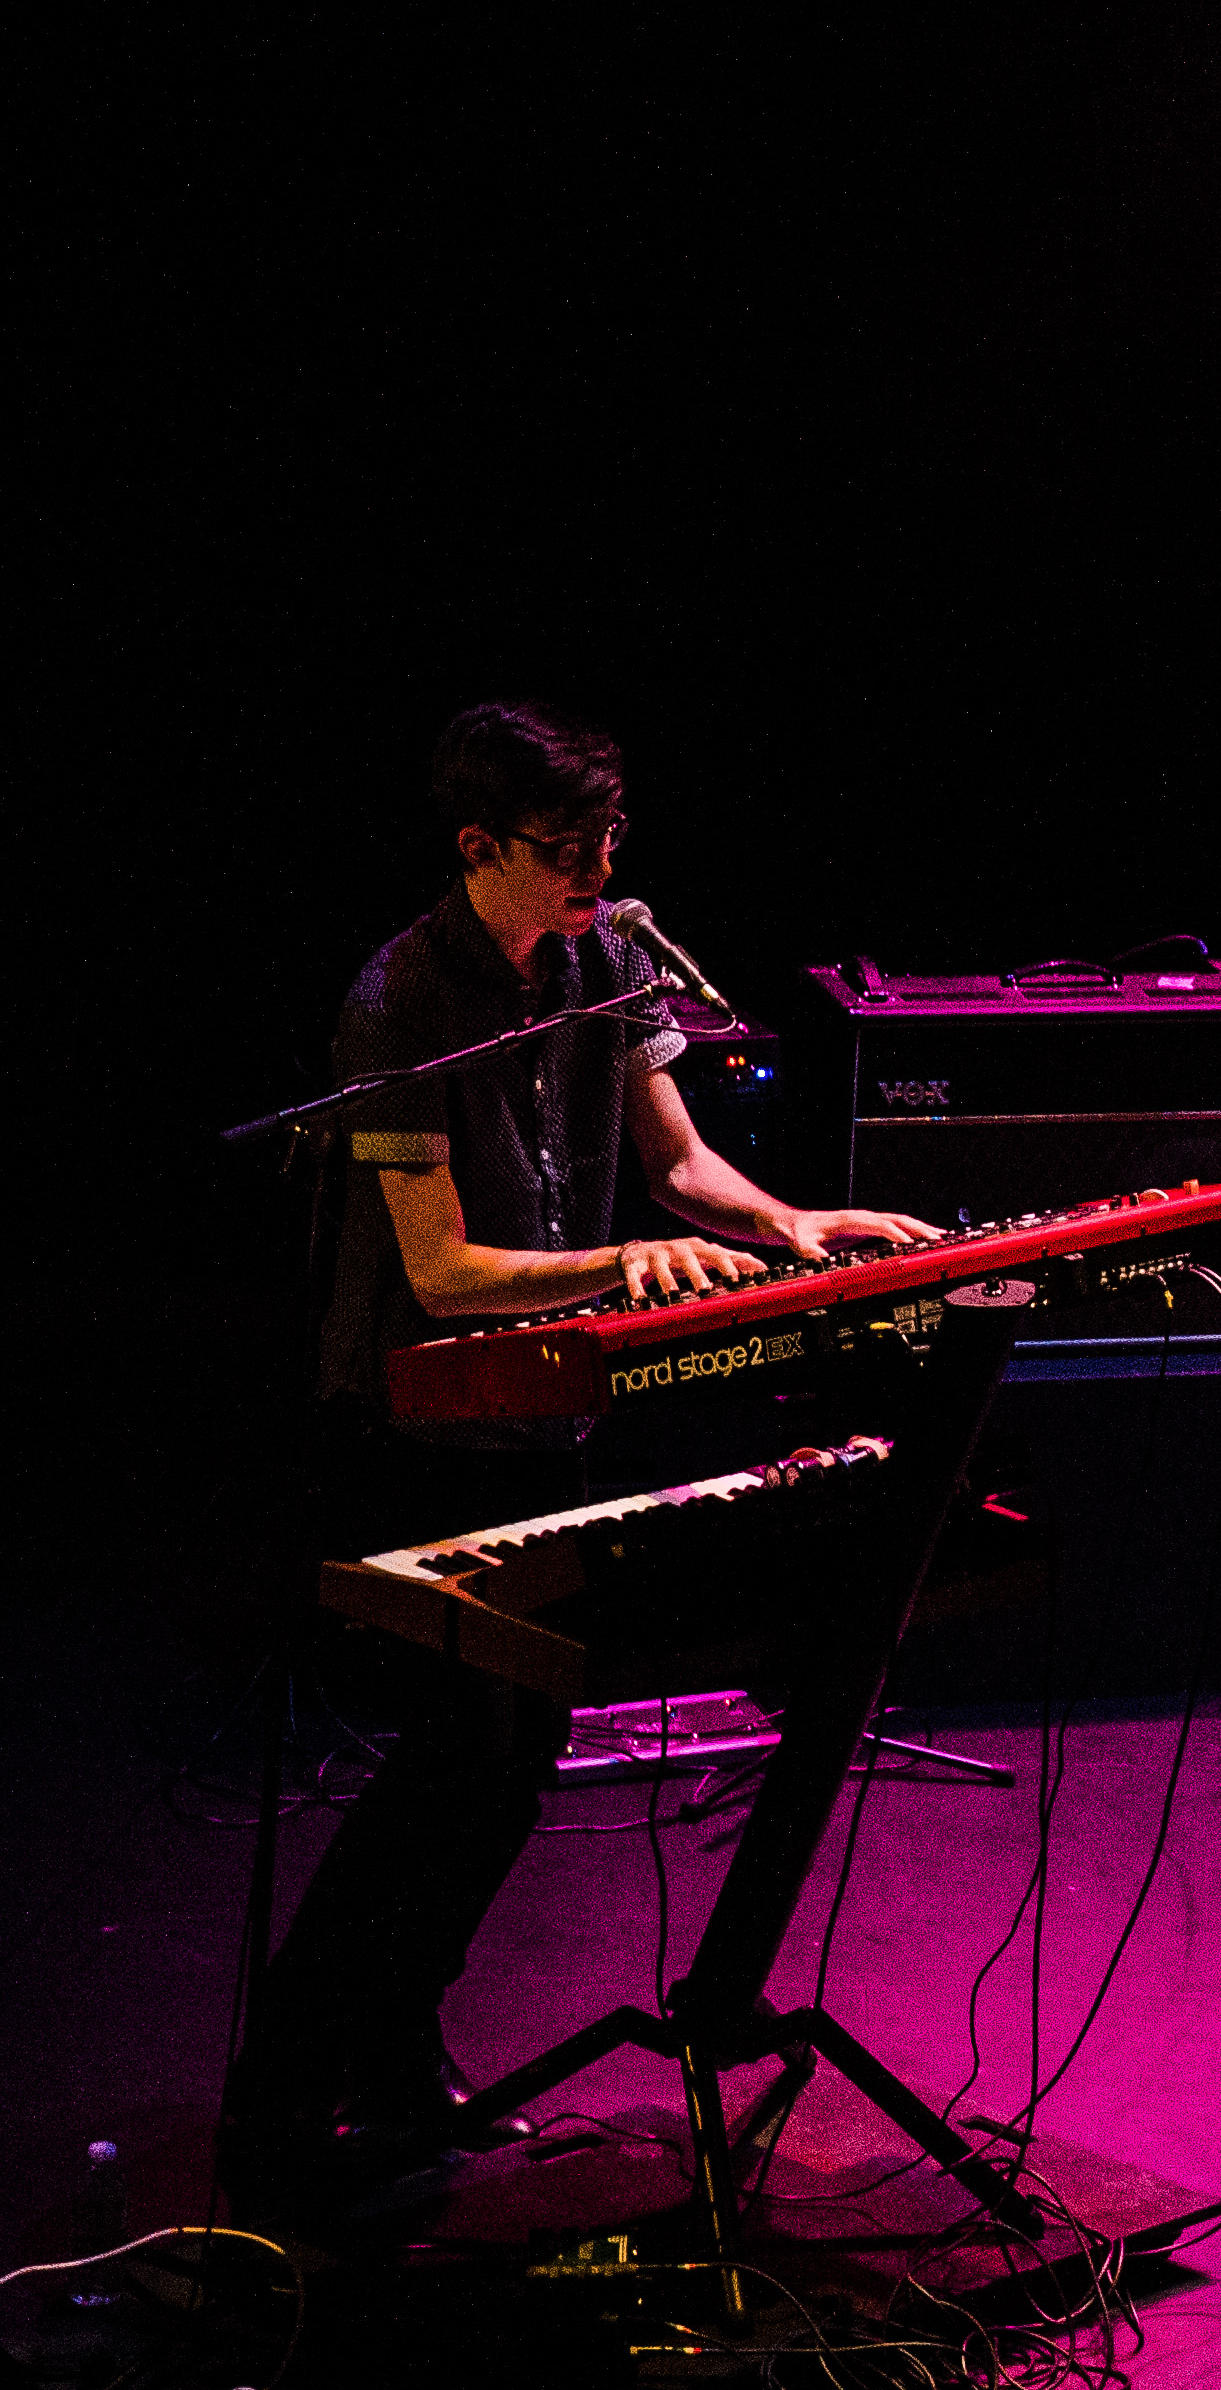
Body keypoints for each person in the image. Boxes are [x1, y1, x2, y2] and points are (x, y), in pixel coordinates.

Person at [234, 699, 935, 2198]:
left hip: (544, 1417)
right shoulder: (398, 1004)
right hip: (415, 1425)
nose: (598, 871)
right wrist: (618, 1267)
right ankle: (289, 2092)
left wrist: (792, 1226)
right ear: (478, 848)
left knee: (505, 1762)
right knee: (456, 1759)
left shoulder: (603, 961)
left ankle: (390, 2056)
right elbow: (438, 1272)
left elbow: (678, 1164)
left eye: (611, 841)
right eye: (567, 849)